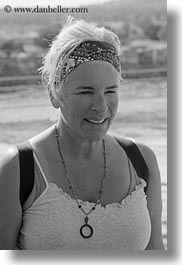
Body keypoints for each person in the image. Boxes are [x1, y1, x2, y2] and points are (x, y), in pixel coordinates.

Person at [0, 17, 165, 250]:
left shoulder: (142, 161)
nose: (101, 106)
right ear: (54, 93)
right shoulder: (18, 168)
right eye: (86, 91)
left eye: (110, 90)